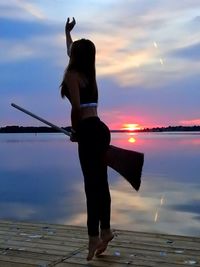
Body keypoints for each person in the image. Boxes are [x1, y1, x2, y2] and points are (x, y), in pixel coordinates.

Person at [60, 17, 114, 261]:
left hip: (89, 130)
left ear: (76, 57)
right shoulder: (88, 73)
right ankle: (106, 229)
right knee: (101, 184)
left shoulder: (73, 74)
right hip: (101, 129)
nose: (70, 52)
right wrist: (67, 32)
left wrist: (76, 132)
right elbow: (71, 50)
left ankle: (93, 237)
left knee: (91, 187)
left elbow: (76, 109)